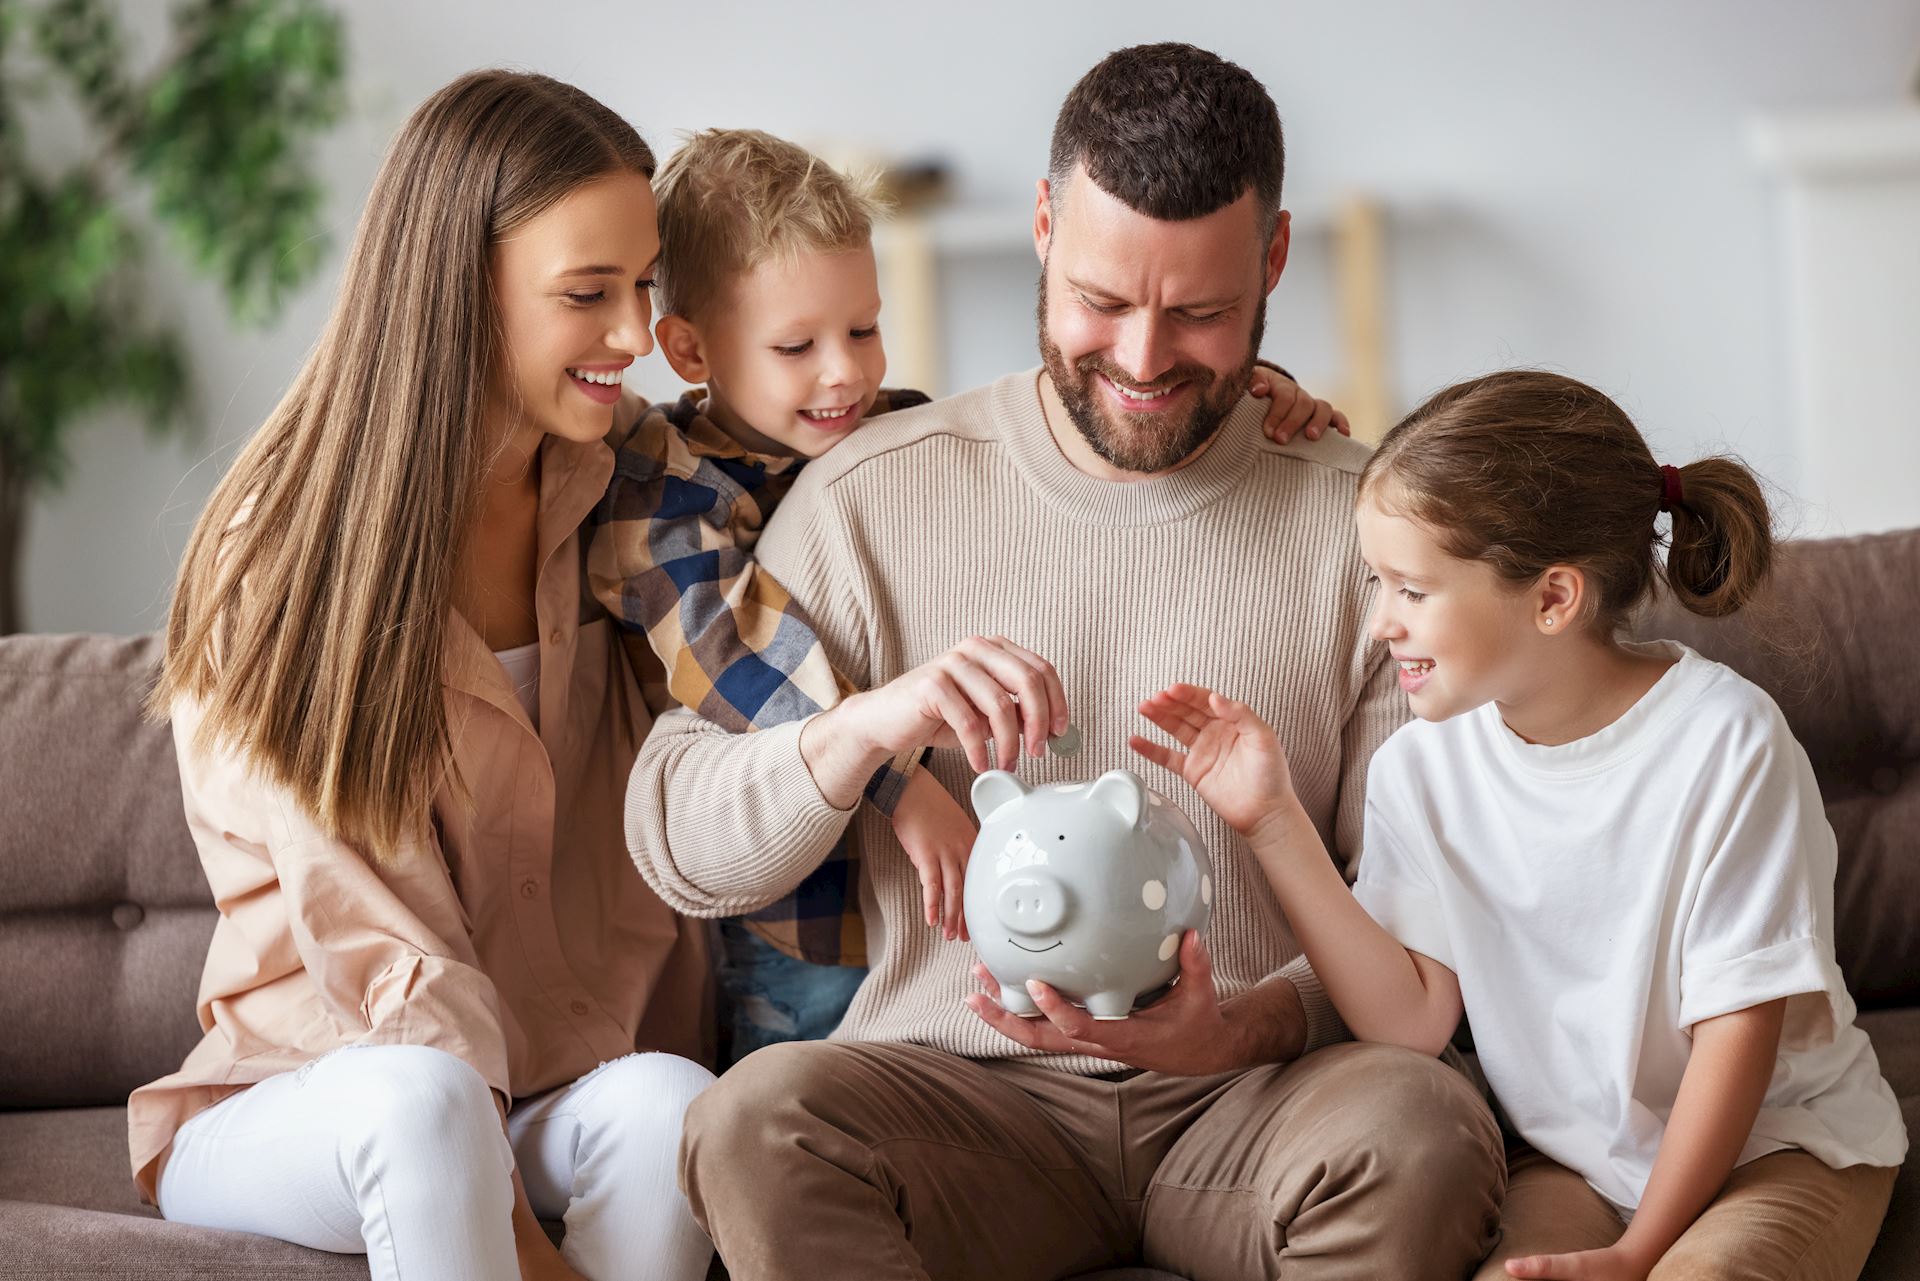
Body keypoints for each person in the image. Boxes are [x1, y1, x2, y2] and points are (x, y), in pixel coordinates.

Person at [627, 44, 1504, 1281]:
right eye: (1102, 301)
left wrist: (1243, 1024)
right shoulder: (863, 494)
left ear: (1275, 260)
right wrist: (865, 729)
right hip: (959, 1102)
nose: (1144, 361)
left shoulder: (1365, 525)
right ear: (1043, 228)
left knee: (1421, 1128)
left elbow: (1424, 915)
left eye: (1199, 313)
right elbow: (678, 843)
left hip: (1263, 1099)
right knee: (753, 1121)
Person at [588, 126, 1343, 1063]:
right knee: (800, 1084)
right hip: (800, 917)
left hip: (916, 919)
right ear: (689, 348)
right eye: (797, 345)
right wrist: (904, 788)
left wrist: (1247, 391)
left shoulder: (886, 435)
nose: (847, 373)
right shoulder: (665, 503)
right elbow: (745, 670)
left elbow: (1083, 404)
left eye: (863, 329)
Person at [134, 71, 715, 1281]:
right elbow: (377, 943)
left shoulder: (627, 490)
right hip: (309, 1090)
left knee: (669, 1106)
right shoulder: (286, 552)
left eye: (644, 285)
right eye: (587, 294)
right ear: (464, 286)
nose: (633, 335)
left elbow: (816, 446)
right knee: (423, 1102)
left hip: (551, 1078)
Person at [1141, 369, 1906, 1281]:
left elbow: (1736, 1040)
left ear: (1553, 599)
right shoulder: (1421, 770)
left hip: (1778, 1148)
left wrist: (1636, 1253)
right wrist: (1271, 821)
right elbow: (1411, 1019)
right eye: (1374, 583)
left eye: (1411, 590)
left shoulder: (1725, 743)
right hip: (1581, 1161)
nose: (1381, 622)